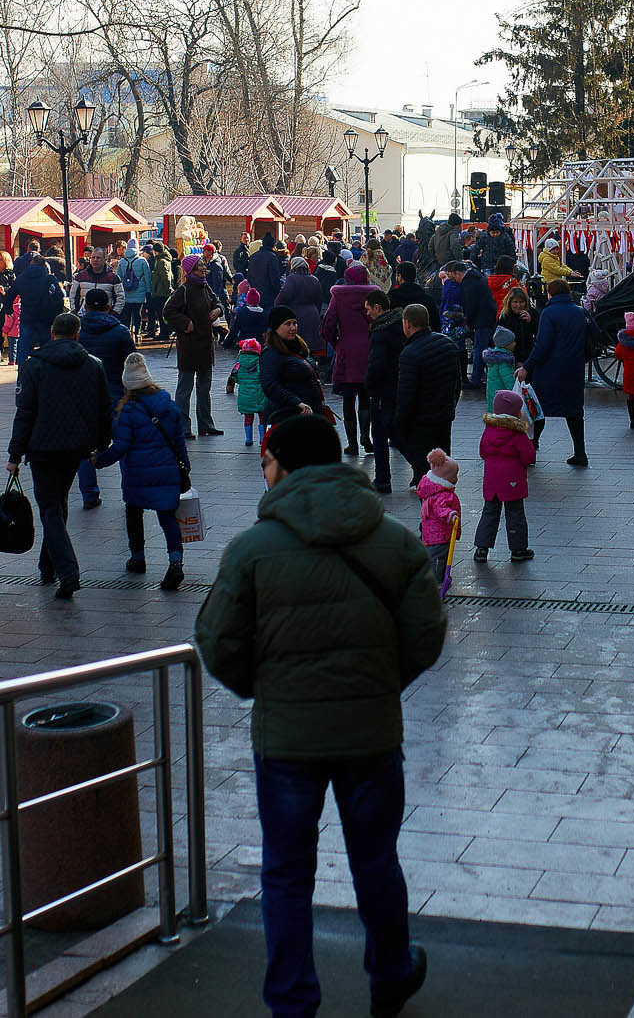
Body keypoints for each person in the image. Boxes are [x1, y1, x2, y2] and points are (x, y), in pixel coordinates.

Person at [194, 414, 444, 1018]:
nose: (265, 474)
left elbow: (217, 640)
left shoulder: (252, 548)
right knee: (376, 861)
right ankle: (389, 974)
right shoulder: (395, 541)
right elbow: (426, 636)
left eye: (267, 463)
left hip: (286, 741)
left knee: (285, 872)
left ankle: (292, 999)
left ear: (286, 466)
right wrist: (379, 686)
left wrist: (268, 690)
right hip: (370, 734)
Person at [8, 312, 112, 598]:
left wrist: (15, 454)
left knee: (51, 508)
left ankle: (67, 571)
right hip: (76, 448)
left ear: (52, 333)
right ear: (77, 334)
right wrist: (99, 447)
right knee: (58, 504)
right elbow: (104, 409)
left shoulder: (34, 365)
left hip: (42, 448)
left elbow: (25, 412)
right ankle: (48, 566)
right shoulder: (93, 365)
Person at [93, 352, 191, 590]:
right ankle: (175, 562)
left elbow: (121, 446)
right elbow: (179, 440)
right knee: (168, 517)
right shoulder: (167, 404)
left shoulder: (128, 410)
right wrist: (185, 467)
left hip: (137, 473)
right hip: (166, 470)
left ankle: (138, 558)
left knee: (134, 512)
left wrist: (99, 461)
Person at [519, 278, 590, 467]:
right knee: (574, 411)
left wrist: (527, 366)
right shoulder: (580, 312)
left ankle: (532, 446)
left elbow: (542, 345)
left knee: (538, 408)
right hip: (573, 369)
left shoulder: (548, 313)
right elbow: (594, 336)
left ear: (550, 293)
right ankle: (580, 452)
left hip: (549, 370)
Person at [76, 288, 137, 509]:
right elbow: (132, 362)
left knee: (86, 446)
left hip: (85, 396)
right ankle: (129, 491)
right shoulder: (120, 331)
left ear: (86, 305)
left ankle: (89, 494)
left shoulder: (78, 331)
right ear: (107, 306)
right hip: (116, 395)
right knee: (123, 443)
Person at [394, 303, 460, 484]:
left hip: (421, 420)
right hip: (443, 415)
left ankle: (430, 500)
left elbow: (406, 394)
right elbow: (457, 381)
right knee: (441, 463)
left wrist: (401, 422)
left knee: (425, 465)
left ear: (407, 323)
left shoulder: (410, 353)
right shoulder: (447, 344)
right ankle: (443, 499)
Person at [322, 261, 381, 457]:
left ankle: (352, 443)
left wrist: (336, 343)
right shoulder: (374, 295)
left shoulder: (338, 296)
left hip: (346, 350)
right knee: (366, 397)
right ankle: (366, 436)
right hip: (370, 350)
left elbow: (328, 325)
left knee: (348, 399)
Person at [473, 388, 536, 562]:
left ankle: (481, 549)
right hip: (513, 480)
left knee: (489, 512)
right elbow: (529, 456)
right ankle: (518, 550)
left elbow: (483, 452)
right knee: (515, 513)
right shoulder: (518, 433)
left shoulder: (489, 430)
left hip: (492, 480)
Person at [164, 254, 224, 438]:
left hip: (205, 345)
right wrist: (185, 323)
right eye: (200, 266)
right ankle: (183, 428)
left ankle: (206, 424)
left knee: (204, 388)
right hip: (189, 347)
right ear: (191, 270)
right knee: (185, 389)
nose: (203, 269)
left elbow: (218, 302)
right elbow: (168, 312)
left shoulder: (205, 286)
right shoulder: (183, 290)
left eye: (203, 265)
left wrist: (218, 310)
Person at [363, 292, 407, 493]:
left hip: (382, 389)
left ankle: (382, 479)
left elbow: (376, 364)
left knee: (380, 434)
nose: (367, 312)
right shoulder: (401, 324)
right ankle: (422, 469)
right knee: (397, 432)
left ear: (377, 307)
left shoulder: (381, 331)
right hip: (400, 385)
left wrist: (369, 383)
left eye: (368, 308)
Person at [260, 304, 327, 428]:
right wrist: (296, 402)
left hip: (309, 414)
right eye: (287, 324)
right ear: (276, 327)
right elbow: (270, 386)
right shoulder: (271, 353)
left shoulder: (299, 348)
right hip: (286, 416)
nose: (293, 327)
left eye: (295, 323)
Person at [415, 448, 463, 594]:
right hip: (440, 534)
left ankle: (438, 575)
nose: (456, 478)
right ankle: (437, 580)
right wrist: (451, 515)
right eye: (455, 475)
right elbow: (441, 509)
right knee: (439, 557)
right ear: (447, 478)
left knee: (436, 555)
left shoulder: (432, 487)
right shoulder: (441, 494)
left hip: (432, 531)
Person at [10, 249, 66, 367]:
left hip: (27, 318)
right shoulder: (49, 278)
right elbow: (59, 297)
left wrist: (8, 310)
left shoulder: (21, 278)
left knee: (24, 350)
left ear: (31, 264)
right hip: (45, 319)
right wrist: (56, 313)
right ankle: (46, 377)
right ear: (44, 265)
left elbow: (9, 296)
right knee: (46, 349)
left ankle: (21, 378)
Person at [460, 263, 496, 389]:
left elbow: (471, 304)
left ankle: (476, 379)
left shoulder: (469, 283)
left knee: (479, 349)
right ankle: (486, 376)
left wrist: (468, 321)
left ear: (457, 273)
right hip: (489, 317)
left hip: (482, 320)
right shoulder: (478, 279)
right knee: (486, 348)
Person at [235, 338, 267, 445]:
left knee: (248, 417)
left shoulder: (239, 363)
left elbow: (235, 377)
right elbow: (264, 376)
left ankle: (248, 439)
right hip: (259, 394)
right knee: (262, 416)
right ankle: (262, 438)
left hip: (244, 395)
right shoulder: (260, 362)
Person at [482, 323, 520, 408]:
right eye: (512, 342)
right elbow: (508, 380)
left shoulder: (494, 358)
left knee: (495, 415)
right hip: (504, 397)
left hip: (494, 395)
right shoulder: (504, 360)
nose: (515, 344)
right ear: (505, 345)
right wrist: (516, 393)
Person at [118, 243, 151, 340]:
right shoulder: (142, 261)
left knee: (127, 314)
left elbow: (118, 277)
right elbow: (147, 277)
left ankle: (127, 331)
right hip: (139, 292)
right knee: (137, 313)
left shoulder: (122, 261)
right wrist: (148, 291)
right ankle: (137, 332)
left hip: (126, 292)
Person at [247, 231, 288, 306]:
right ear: (272, 245)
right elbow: (274, 278)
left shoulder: (253, 256)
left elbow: (249, 276)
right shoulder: (272, 257)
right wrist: (277, 293)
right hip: (268, 295)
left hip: (255, 294)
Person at [496, 285, 535, 362]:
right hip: (510, 359)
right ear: (509, 302)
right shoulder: (504, 317)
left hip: (529, 358)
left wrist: (531, 322)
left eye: (521, 302)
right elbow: (500, 343)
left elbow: (539, 334)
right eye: (515, 302)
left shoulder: (532, 313)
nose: (518, 305)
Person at [146, 242, 175, 342]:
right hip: (161, 291)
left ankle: (164, 333)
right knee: (162, 313)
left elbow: (165, 277)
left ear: (155, 251)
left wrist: (168, 289)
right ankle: (165, 332)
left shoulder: (161, 261)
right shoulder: (165, 259)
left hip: (161, 292)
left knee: (161, 313)